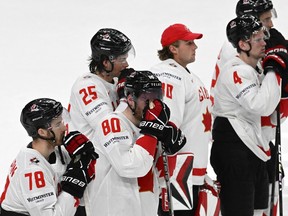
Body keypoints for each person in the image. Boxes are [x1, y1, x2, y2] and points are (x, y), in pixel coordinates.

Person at [210, 14, 288, 216]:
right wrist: (275, 69)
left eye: (265, 37)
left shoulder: (254, 70)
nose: (265, 43)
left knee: (256, 210)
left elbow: (271, 113)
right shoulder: (235, 71)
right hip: (234, 152)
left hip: (251, 149)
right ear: (243, 44)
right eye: (258, 39)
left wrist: (278, 76)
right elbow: (260, 105)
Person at [83, 71, 186, 216]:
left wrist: (171, 147)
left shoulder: (153, 125)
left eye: (157, 98)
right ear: (130, 99)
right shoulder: (112, 123)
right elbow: (130, 166)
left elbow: (163, 176)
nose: (153, 105)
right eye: (146, 98)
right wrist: (152, 131)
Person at [150, 23, 212, 215]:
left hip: (190, 171)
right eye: (189, 43)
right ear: (173, 48)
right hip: (178, 173)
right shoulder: (168, 75)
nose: (195, 46)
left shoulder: (187, 75)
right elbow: (167, 126)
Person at [0, 98, 97, 216]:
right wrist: (74, 185)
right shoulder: (31, 171)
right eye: (58, 124)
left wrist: (83, 157)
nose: (64, 128)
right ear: (42, 132)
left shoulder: (52, 151)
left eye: (61, 122)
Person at [68, 28, 135, 138]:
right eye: (122, 59)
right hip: (95, 152)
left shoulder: (116, 80)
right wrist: (124, 97)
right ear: (106, 63)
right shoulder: (86, 86)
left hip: (114, 149)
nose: (126, 64)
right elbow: (109, 129)